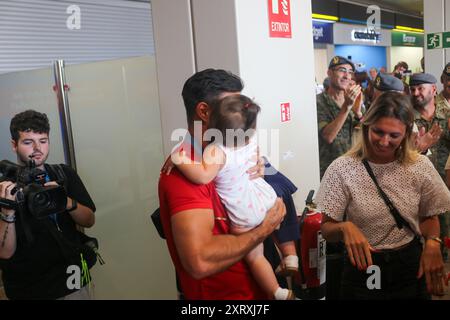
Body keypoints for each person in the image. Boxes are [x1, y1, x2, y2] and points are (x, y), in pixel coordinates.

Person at [158, 69, 286, 300]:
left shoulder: (233, 150)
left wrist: (261, 169)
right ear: (204, 111)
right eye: (233, 105)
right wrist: (264, 228)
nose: (241, 113)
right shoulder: (186, 173)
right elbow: (200, 261)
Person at [316, 91, 450, 299]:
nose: (384, 141)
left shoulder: (419, 166)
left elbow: (429, 217)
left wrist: (433, 241)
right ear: (367, 126)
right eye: (378, 132)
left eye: (394, 135)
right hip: (364, 266)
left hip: (409, 265)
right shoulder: (342, 168)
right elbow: (327, 227)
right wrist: (344, 228)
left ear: (406, 134)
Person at [0, 110, 96, 300]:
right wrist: (8, 210)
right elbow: (5, 252)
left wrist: (65, 201)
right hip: (30, 288)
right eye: (28, 142)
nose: (37, 148)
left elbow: (89, 220)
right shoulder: (5, 189)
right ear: (14, 145)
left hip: (74, 278)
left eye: (43, 141)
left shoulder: (63, 174)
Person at [410, 72, 450, 261]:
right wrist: (419, 148)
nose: (416, 93)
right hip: (415, 188)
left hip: (444, 185)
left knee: (444, 234)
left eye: (420, 88)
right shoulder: (406, 116)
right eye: (413, 89)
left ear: (433, 90)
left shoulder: (447, 113)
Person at [316, 56, 363, 179]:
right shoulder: (318, 102)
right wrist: (346, 107)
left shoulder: (354, 100)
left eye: (350, 72)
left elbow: (364, 133)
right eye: (342, 70)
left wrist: (358, 113)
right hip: (330, 171)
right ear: (329, 73)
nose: (347, 76)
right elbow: (328, 136)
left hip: (355, 168)